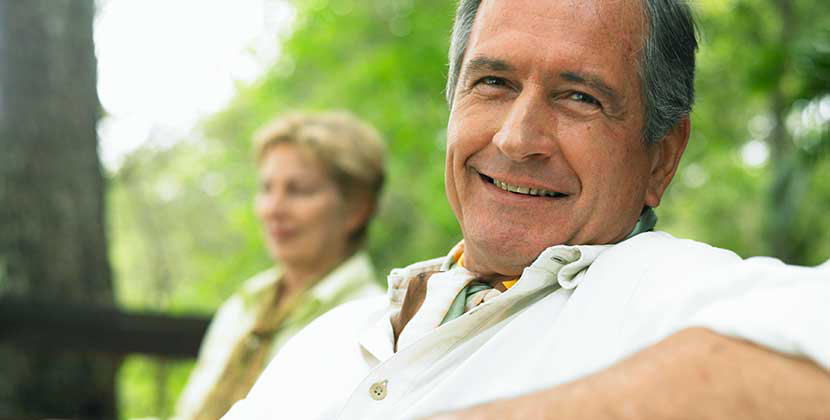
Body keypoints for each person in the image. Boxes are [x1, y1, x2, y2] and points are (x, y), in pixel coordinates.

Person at [223, 1, 830, 419]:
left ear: (661, 160)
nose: (517, 138)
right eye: (493, 83)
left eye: (579, 97)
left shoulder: (668, 294)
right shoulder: (325, 339)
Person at [173, 111, 386, 420]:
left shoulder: (374, 326)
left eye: (298, 190)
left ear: (356, 208)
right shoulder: (243, 307)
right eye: (266, 188)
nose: (273, 208)